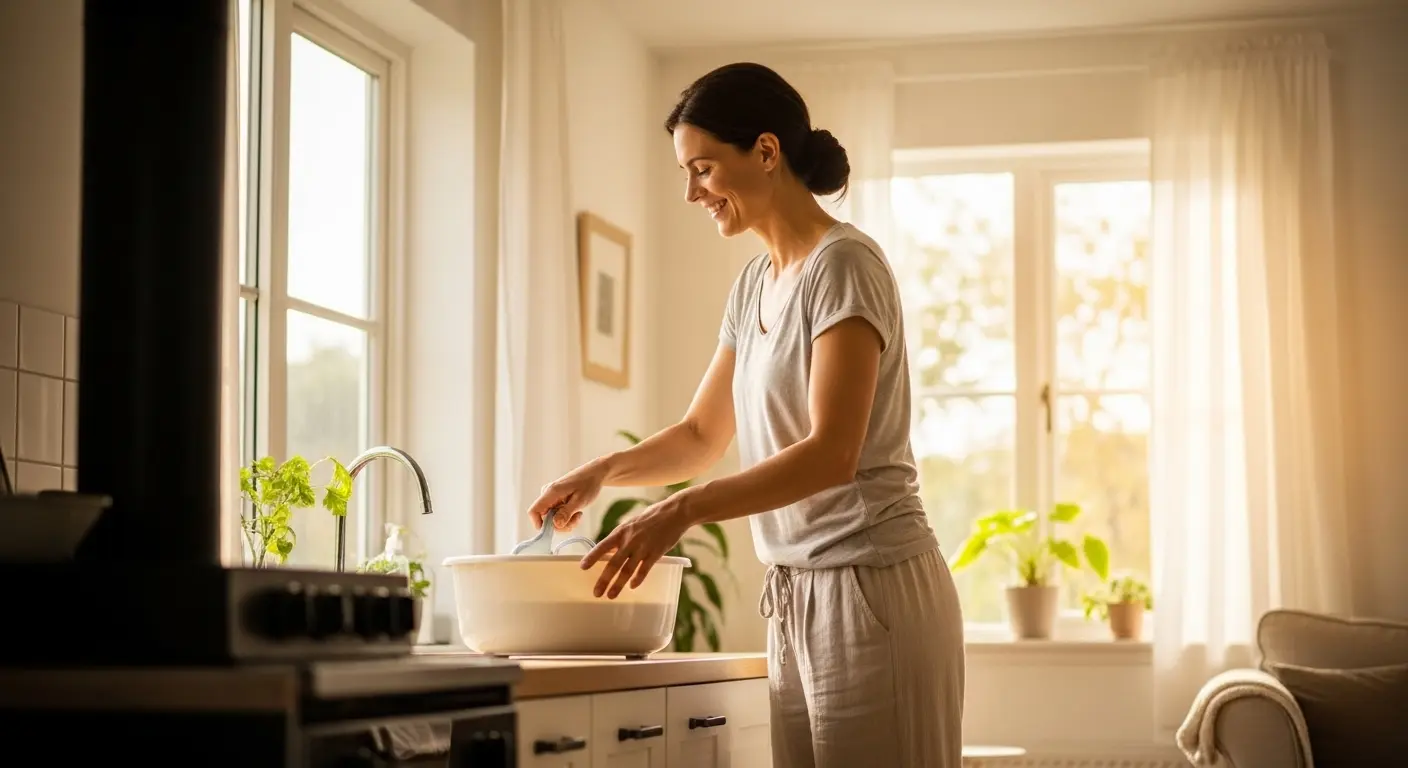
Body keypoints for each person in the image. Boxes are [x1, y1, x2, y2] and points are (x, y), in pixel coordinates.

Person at [526, 62, 965, 767]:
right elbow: (703, 436)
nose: (692, 192)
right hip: (794, 593)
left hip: (872, 588)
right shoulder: (756, 282)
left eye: (702, 168)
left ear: (765, 152)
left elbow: (832, 454)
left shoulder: (844, 265)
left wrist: (680, 512)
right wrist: (603, 472)